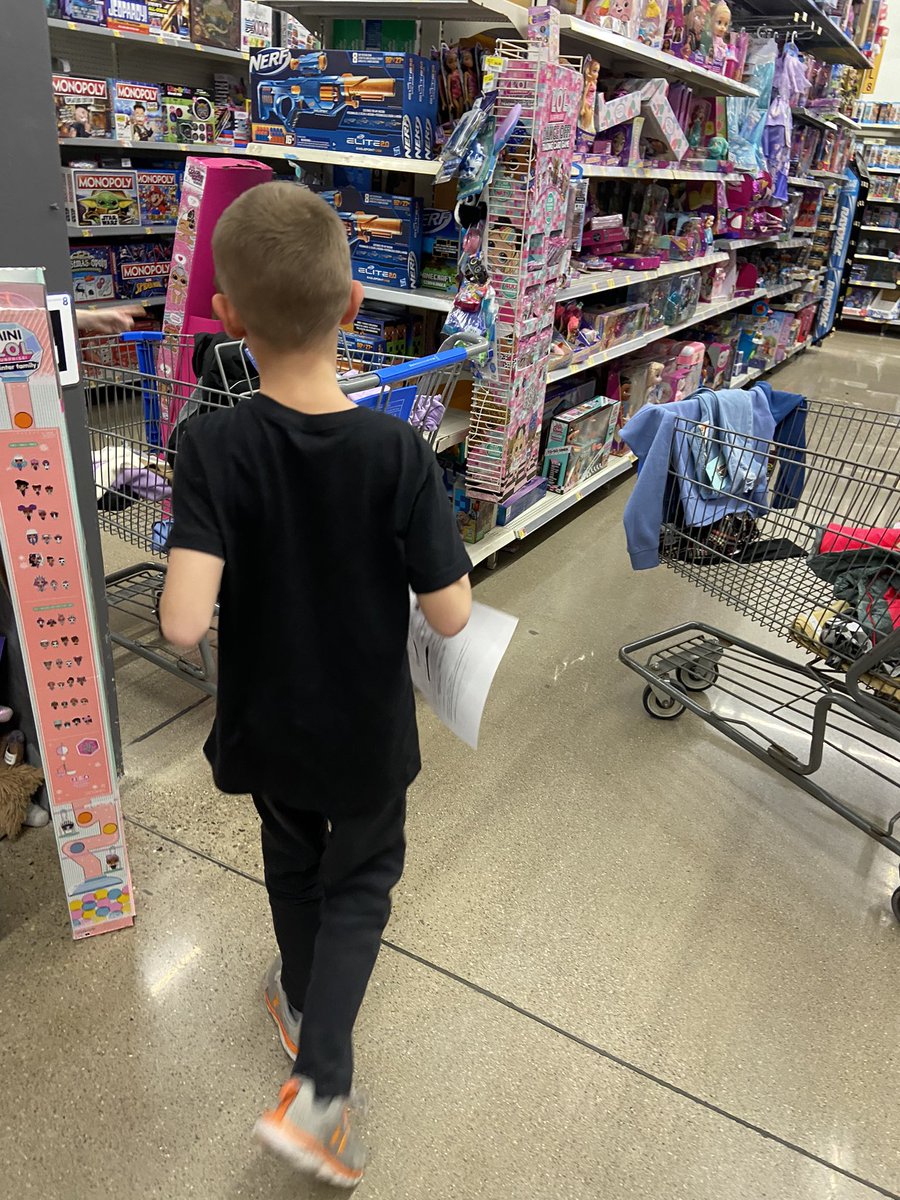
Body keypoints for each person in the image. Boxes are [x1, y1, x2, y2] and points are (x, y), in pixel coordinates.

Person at [159, 183, 473, 1188]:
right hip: (365, 734)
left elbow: (180, 620)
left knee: (293, 869)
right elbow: (452, 613)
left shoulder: (211, 445)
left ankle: (299, 1004)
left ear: (233, 322)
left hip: (266, 723)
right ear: (352, 309)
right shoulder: (399, 454)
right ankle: (321, 1088)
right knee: (362, 887)